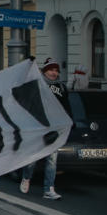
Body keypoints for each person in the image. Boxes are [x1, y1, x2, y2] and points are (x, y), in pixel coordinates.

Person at [20, 58, 66, 200]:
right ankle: (26, 177)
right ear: (45, 71)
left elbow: (66, 106)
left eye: (56, 70)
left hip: (55, 127)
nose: (54, 73)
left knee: (52, 160)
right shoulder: (37, 84)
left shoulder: (62, 87)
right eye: (51, 70)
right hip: (38, 126)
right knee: (33, 158)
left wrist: (70, 121)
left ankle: (48, 189)